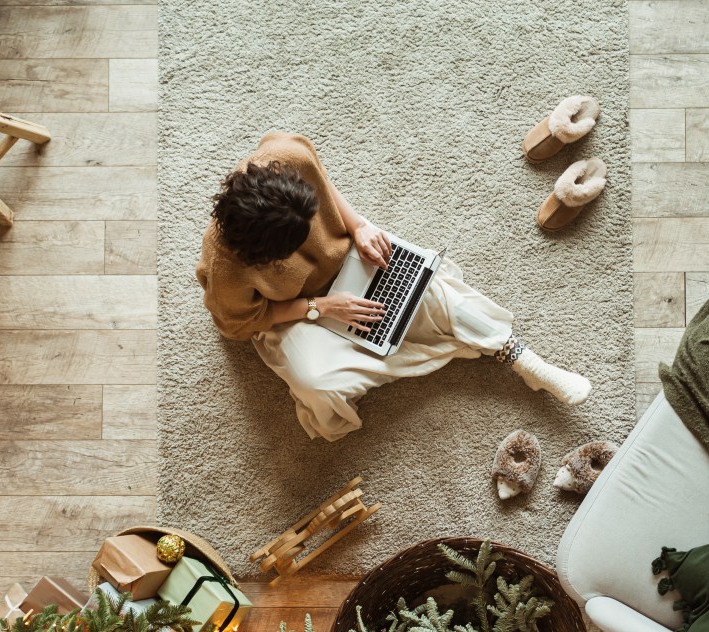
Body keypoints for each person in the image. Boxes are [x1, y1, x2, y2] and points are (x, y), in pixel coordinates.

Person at [196, 132, 591, 442]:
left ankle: (519, 356)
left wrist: (359, 226)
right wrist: (321, 307)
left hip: (351, 259)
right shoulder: (227, 267)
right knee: (321, 384)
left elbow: (325, 184)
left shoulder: (288, 156)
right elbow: (238, 326)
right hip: (295, 311)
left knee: (429, 290)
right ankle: (443, 343)